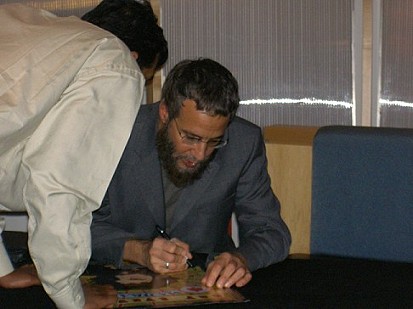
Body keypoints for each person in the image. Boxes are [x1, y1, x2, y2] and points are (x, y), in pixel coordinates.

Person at [0, 0, 167, 308]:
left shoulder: (28, 24)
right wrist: (71, 296)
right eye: (142, 81)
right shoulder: (115, 62)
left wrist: (2, 270)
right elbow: (60, 184)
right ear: (132, 58)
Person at [91, 58, 291, 289]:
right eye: (191, 137)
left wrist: (240, 258)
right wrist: (138, 250)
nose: (200, 153)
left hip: (207, 284)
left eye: (215, 141)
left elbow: (272, 233)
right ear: (165, 112)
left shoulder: (244, 143)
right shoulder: (116, 134)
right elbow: (78, 228)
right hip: (113, 282)